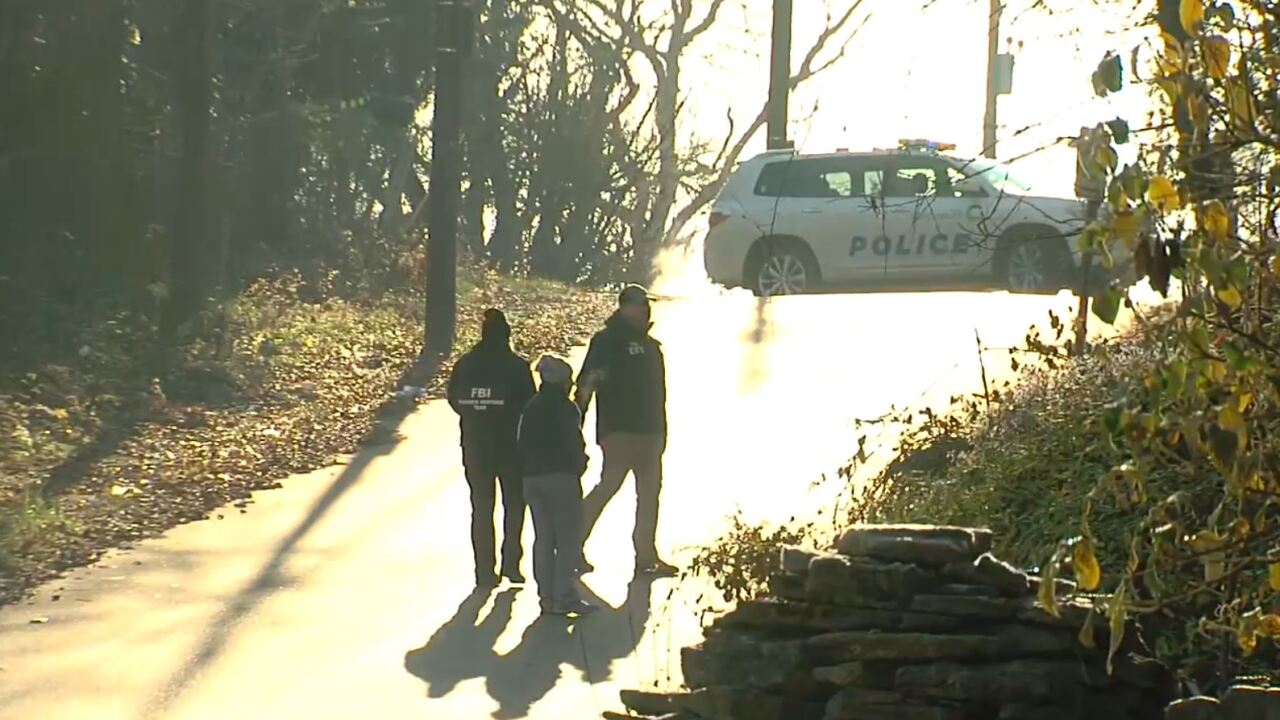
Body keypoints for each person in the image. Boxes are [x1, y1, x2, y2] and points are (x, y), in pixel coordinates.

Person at [574, 284, 677, 576]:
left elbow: (660, 393)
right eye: (637, 305)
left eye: (645, 304)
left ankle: (646, 555)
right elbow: (587, 383)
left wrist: (662, 432)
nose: (643, 309)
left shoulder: (651, 346)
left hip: (650, 432)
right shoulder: (608, 341)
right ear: (623, 308)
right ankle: (571, 545)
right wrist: (575, 424)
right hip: (619, 430)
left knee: (649, 494)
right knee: (608, 486)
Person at [447, 309, 536, 587]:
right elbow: (530, 405)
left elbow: (454, 398)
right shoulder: (516, 366)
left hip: (476, 447)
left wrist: (474, 415)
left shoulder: (465, 365)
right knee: (514, 507)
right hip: (511, 448)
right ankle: (511, 564)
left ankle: (484, 571)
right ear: (507, 336)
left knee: (482, 509)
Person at [518, 355, 596, 616]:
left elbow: (521, 443)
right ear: (563, 382)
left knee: (543, 539)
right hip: (560, 478)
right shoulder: (565, 408)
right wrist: (580, 465)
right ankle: (564, 595)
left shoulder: (531, 406)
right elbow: (573, 442)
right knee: (567, 540)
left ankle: (547, 597)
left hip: (532, 478)